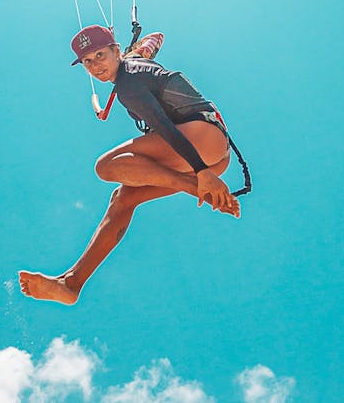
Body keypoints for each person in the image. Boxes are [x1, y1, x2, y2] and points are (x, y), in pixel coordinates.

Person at [19, 24, 241, 305]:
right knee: (123, 198)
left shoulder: (129, 84)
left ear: (115, 51)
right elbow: (155, 39)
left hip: (199, 144)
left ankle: (197, 187)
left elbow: (165, 128)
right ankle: (71, 284)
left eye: (100, 55)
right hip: (213, 151)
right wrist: (136, 49)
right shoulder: (136, 61)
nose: (95, 66)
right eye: (87, 62)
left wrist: (201, 174)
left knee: (107, 166)